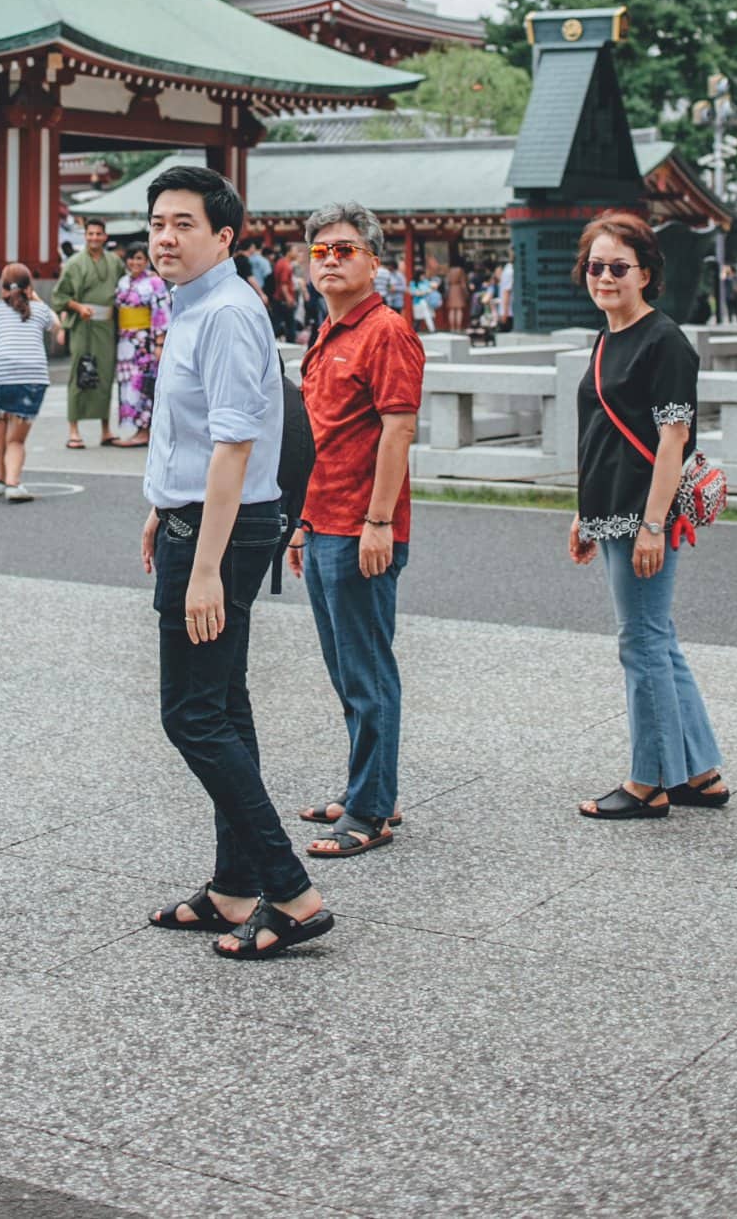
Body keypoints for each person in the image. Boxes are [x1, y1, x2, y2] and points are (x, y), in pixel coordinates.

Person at [141, 165, 333, 962]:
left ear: (224, 236)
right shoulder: (194, 307)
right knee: (224, 705)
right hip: (201, 518)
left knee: (190, 714)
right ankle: (232, 886)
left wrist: (207, 565)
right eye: (157, 222)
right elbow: (194, 436)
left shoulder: (222, 312)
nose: (165, 237)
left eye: (184, 223)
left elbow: (234, 445)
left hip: (219, 532)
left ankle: (290, 892)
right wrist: (162, 501)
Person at [569, 210, 726, 821]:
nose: (604, 277)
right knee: (657, 639)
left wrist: (653, 524)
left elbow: (672, 439)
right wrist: (583, 513)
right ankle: (700, 771)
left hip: (643, 515)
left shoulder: (664, 342)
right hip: (610, 510)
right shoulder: (608, 337)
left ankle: (649, 780)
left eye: (618, 267)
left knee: (641, 643)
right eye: (595, 266)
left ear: (646, 274)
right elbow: (600, 435)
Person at [288, 200, 422, 859]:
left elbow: (398, 427)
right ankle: (370, 786)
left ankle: (371, 811)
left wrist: (378, 521)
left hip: (361, 526)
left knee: (368, 673)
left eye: (345, 249)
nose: (332, 260)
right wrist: (298, 525)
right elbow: (320, 435)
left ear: (374, 261)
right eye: (321, 252)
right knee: (346, 670)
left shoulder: (385, 330)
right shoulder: (328, 330)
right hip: (322, 521)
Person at [0, 262, 64, 499]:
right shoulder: (39, 311)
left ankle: (0, 478)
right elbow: (58, 330)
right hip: (33, 377)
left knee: (1, 421)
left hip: (0, 375)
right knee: (17, 440)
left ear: (2, 287)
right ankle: (13, 483)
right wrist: (38, 299)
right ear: (29, 287)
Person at [52, 219, 124, 449]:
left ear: (105, 236)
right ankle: (74, 430)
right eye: (90, 233)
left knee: (104, 376)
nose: (94, 237)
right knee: (79, 374)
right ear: (85, 236)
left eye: (98, 234)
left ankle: (105, 429)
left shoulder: (114, 262)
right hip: (84, 325)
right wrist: (78, 308)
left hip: (108, 325)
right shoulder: (74, 263)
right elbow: (59, 296)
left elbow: (124, 290)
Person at [113, 245, 170, 445]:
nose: (134, 263)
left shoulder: (154, 282)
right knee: (127, 383)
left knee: (143, 384)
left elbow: (161, 311)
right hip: (125, 340)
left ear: (147, 260)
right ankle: (136, 429)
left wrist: (159, 342)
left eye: (139, 258)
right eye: (131, 258)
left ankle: (144, 430)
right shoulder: (122, 282)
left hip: (144, 341)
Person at [443, 260, 469, 334]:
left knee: (451, 310)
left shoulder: (449, 271)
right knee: (459, 310)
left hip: (451, 289)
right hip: (458, 289)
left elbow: (446, 282)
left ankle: (452, 328)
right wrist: (466, 292)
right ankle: (458, 328)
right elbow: (463, 283)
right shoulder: (460, 270)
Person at [497, 253, 514, 334]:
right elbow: (506, 293)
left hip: (507, 312)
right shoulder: (510, 272)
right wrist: (505, 313)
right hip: (509, 313)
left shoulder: (507, 271)